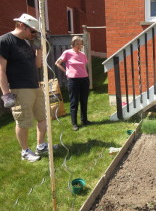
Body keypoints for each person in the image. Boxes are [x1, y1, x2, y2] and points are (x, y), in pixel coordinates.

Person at [0, 13, 48, 162]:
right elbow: (1, 69)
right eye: (31, 31)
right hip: (19, 88)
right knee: (23, 121)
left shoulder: (26, 43)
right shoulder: (5, 41)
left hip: (34, 85)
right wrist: (6, 93)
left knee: (42, 117)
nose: (33, 34)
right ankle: (25, 151)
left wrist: (39, 47)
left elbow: (38, 65)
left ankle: (41, 146)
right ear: (21, 25)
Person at [55, 36, 90, 131]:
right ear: (73, 44)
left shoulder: (83, 54)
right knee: (74, 101)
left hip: (84, 79)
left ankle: (85, 120)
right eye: (77, 44)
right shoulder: (67, 53)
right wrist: (66, 71)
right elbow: (57, 63)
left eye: (80, 44)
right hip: (73, 80)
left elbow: (84, 66)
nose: (79, 46)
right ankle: (74, 123)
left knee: (84, 100)